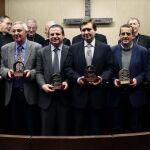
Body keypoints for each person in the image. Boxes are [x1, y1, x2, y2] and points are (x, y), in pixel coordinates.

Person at [64, 17, 113, 135]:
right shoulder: (73, 48)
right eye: (83, 30)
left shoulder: (105, 48)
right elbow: (68, 68)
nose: (86, 32)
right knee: (79, 130)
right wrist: (78, 78)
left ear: (95, 30)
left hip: (98, 96)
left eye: (88, 29)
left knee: (96, 131)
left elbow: (110, 68)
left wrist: (102, 78)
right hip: (79, 96)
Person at [0, 21, 42, 135]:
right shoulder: (5, 48)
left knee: (30, 127)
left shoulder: (37, 47)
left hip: (29, 93)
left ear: (26, 32)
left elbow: (40, 69)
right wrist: (6, 72)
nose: (16, 33)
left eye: (19, 30)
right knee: (14, 127)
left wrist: (31, 73)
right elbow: (1, 66)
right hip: (11, 93)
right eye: (13, 31)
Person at [110, 24, 147, 133]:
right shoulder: (111, 50)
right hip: (117, 97)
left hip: (135, 96)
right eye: (123, 33)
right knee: (117, 129)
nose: (125, 36)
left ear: (133, 36)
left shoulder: (142, 51)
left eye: (128, 34)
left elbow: (146, 71)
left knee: (135, 129)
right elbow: (109, 70)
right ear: (119, 35)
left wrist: (137, 80)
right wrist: (113, 80)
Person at [36, 24, 69, 135]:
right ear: (48, 36)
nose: (55, 36)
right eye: (52, 34)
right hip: (46, 99)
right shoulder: (41, 52)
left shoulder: (70, 51)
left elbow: (72, 71)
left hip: (64, 99)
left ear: (63, 35)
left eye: (58, 34)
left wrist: (67, 82)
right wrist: (42, 85)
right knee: (46, 133)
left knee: (64, 132)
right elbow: (39, 72)